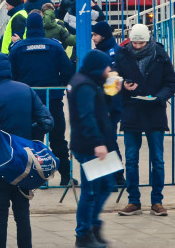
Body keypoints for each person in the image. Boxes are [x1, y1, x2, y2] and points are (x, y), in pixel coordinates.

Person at [0, 53, 54, 248]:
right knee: (22, 212)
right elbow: (47, 121)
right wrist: (26, 135)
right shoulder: (26, 90)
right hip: (25, 160)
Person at [115, 24, 175, 217]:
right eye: (134, 42)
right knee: (131, 159)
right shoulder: (122, 55)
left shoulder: (160, 55)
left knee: (157, 160)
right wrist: (123, 85)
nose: (137, 46)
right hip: (132, 111)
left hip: (154, 111)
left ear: (148, 40)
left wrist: (159, 97)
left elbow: (171, 83)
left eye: (141, 42)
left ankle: (157, 201)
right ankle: (133, 201)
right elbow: (112, 80)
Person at [9, 13, 76, 186]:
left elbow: (11, 75)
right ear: (41, 27)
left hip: (27, 102)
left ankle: (35, 178)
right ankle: (66, 177)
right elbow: (68, 71)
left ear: (27, 28)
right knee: (58, 138)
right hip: (52, 99)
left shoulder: (17, 48)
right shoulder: (54, 46)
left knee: (32, 140)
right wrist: (60, 83)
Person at [67, 50, 118, 248]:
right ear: (98, 66)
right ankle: (84, 235)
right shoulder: (85, 86)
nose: (109, 70)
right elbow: (87, 116)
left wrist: (111, 91)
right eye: (107, 66)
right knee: (90, 191)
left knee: (105, 185)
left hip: (91, 143)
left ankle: (92, 227)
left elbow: (99, 108)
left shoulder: (86, 81)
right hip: (90, 145)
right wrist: (98, 143)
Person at [91, 21, 124, 188]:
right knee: (101, 140)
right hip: (100, 105)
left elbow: (114, 84)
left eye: (95, 35)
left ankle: (117, 177)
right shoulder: (99, 52)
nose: (93, 38)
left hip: (111, 106)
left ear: (103, 35)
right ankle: (107, 177)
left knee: (108, 141)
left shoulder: (114, 53)